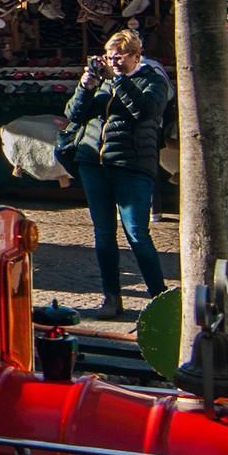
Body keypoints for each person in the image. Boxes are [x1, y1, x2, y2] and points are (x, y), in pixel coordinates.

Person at [62, 28, 171, 319]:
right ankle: (112, 297)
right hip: (93, 163)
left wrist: (120, 80)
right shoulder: (101, 81)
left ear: (136, 56)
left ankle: (159, 298)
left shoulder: (153, 80)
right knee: (103, 234)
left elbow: (145, 112)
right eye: (110, 57)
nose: (114, 62)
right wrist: (86, 86)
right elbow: (73, 114)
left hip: (131, 165)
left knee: (137, 232)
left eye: (120, 57)